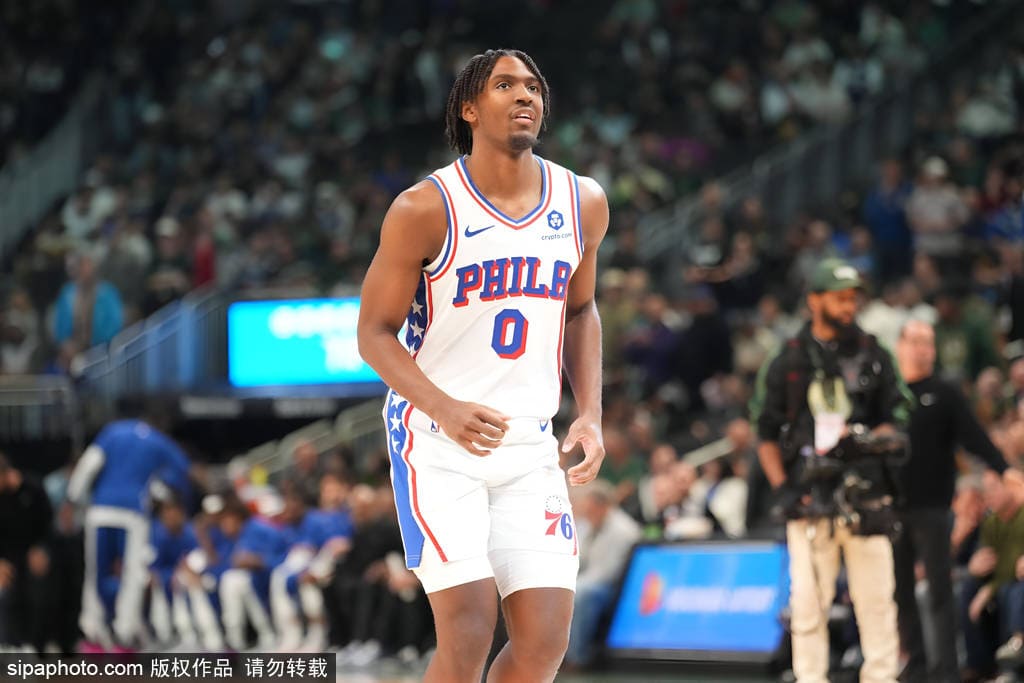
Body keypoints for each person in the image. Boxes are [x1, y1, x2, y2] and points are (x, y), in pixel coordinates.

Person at [357, 48, 608, 683]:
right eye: (505, 85)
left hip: (529, 444)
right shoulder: (425, 208)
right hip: (437, 440)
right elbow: (373, 333)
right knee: (468, 634)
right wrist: (442, 407)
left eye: (534, 87)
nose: (525, 95)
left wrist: (590, 413)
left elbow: (581, 311)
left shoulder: (582, 201)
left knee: (544, 645)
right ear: (469, 108)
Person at [750, 258, 913, 683]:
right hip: (809, 497)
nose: (848, 306)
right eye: (839, 298)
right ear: (814, 300)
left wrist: (869, 438)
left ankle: (881, 677)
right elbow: (764, 432)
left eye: (852, 298)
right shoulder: (787, 359)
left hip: (867, 494)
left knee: (877, 601)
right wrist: (784, 489)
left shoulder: (875, 353)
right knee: (807, 604)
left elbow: (898, 416)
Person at [892, 319, 1008, 683]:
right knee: (900, 592)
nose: (923, 350)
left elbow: (974, 437)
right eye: (916, 342)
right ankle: (915, 667)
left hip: (933, 508)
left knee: (939, 591)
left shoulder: (944, 392)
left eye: (929, 343)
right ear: (900, 346)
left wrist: (1003, 469)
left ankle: (945, 673)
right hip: (890, 509)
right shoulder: (888, 394)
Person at [66, 402, 191, 649]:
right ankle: (125, 632)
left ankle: (93, 630)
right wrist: (163, 495)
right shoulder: (160, 442)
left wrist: (73, 498)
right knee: (132, 574)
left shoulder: (114, 432)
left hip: (101, 510)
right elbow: (180, 472)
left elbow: (89, 464)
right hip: (133, 514)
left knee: (95, 571)